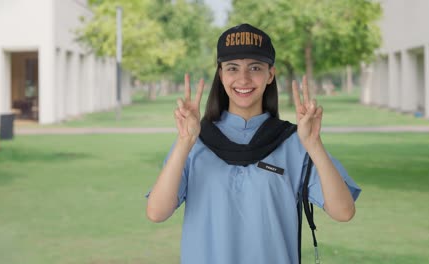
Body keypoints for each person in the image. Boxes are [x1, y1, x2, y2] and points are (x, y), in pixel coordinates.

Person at [146, 23, 361, 264]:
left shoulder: (296, 142)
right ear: (221, 74)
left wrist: (314, 145)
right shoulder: (194, 141)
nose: (243, 78)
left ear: (270, 74)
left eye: (255, 67)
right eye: (232, 68)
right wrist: (185, 141)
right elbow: (157, 212)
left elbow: (343, 212)